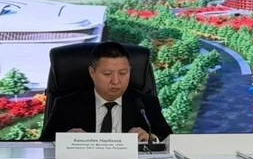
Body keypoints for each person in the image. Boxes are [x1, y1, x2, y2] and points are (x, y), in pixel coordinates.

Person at [40, 41, 172, 142]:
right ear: (92, 73)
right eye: (108, 74)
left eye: (123, 73)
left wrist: (151, 138)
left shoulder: (144, 104)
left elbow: (168, 140)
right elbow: (44, 144)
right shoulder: (68, 105)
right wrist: (64, 140)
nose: (116, 81)